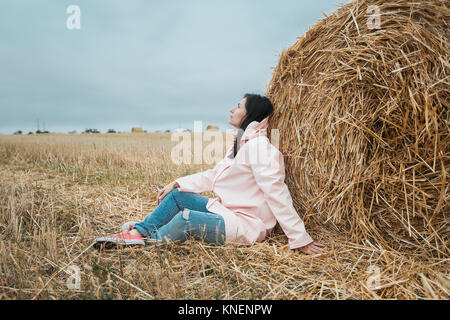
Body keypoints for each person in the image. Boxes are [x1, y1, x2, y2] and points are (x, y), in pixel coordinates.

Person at [94, 94, 326, 255]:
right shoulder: (241, 145)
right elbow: (213, 175)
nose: (232, 109)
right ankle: (139, 231)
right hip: (226, 211)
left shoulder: (261, 148)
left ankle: (145, 241)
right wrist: (177, 182)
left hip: (246, 224)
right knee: (177, 196)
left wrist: (300, 238)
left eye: (238, 106)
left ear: (250, 114)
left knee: (187, 220)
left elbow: (277, 193)